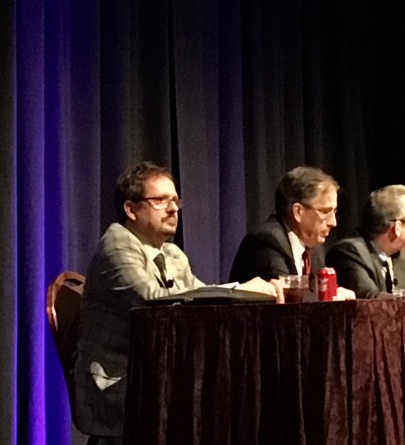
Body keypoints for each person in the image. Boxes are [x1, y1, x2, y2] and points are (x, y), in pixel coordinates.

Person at [74, 162, 280, 443]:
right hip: (121, 383)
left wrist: (249, 294)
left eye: (175, 200)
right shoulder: (117, 243)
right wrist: (241, 287)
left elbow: (200, 301)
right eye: (160, 200)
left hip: (160, 374)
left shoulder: (171, 254)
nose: (173, 209)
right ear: (131, 210)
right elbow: (153, 302)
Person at [229, 166, 354, 300]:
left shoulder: (315, 248)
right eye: (325, 212)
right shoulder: (266, 241)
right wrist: (331, 297)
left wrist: (336, 292)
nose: (333, 222)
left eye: (334, 212)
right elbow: (289, 298)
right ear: (298, 212)